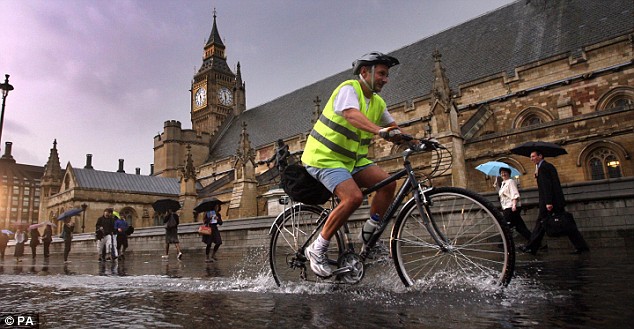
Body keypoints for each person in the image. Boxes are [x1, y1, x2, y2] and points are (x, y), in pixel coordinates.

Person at [301, 51, 403, 277]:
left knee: (388, 184)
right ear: (365, 72)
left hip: (351, 160)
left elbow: (395, 130)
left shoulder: (377, 103)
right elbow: (350, 115)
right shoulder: (348, 89)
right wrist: (379, 131)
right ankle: (316, 249)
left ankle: (370, 236)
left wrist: (417, 142)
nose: (386, 79)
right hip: (324, 157)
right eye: (382, 74)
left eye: (387, 75)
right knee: (353, 197)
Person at [519, 151, 590, 255]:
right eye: (530, 157)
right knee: (564, 224)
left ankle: (531, 247)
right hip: (555, 200)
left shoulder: (543, 167)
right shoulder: (544, 167)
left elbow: (547, 186)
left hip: (550, 201)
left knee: (541, 223)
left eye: (533, 156)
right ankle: (581, 246)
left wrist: (548, 202)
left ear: (540, 156)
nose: (531, 159)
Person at [498, 167, 532, 242]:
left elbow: (514, 193)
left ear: (509, 173)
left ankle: (502, 244)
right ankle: (535, 241)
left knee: (506, 226)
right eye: (501, 173)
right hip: (506, 208)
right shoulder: (503, 183)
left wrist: (514, 205)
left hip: (510, 208)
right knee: (520, 227)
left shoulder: (511, 181)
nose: (503, 174)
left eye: (505, 172)